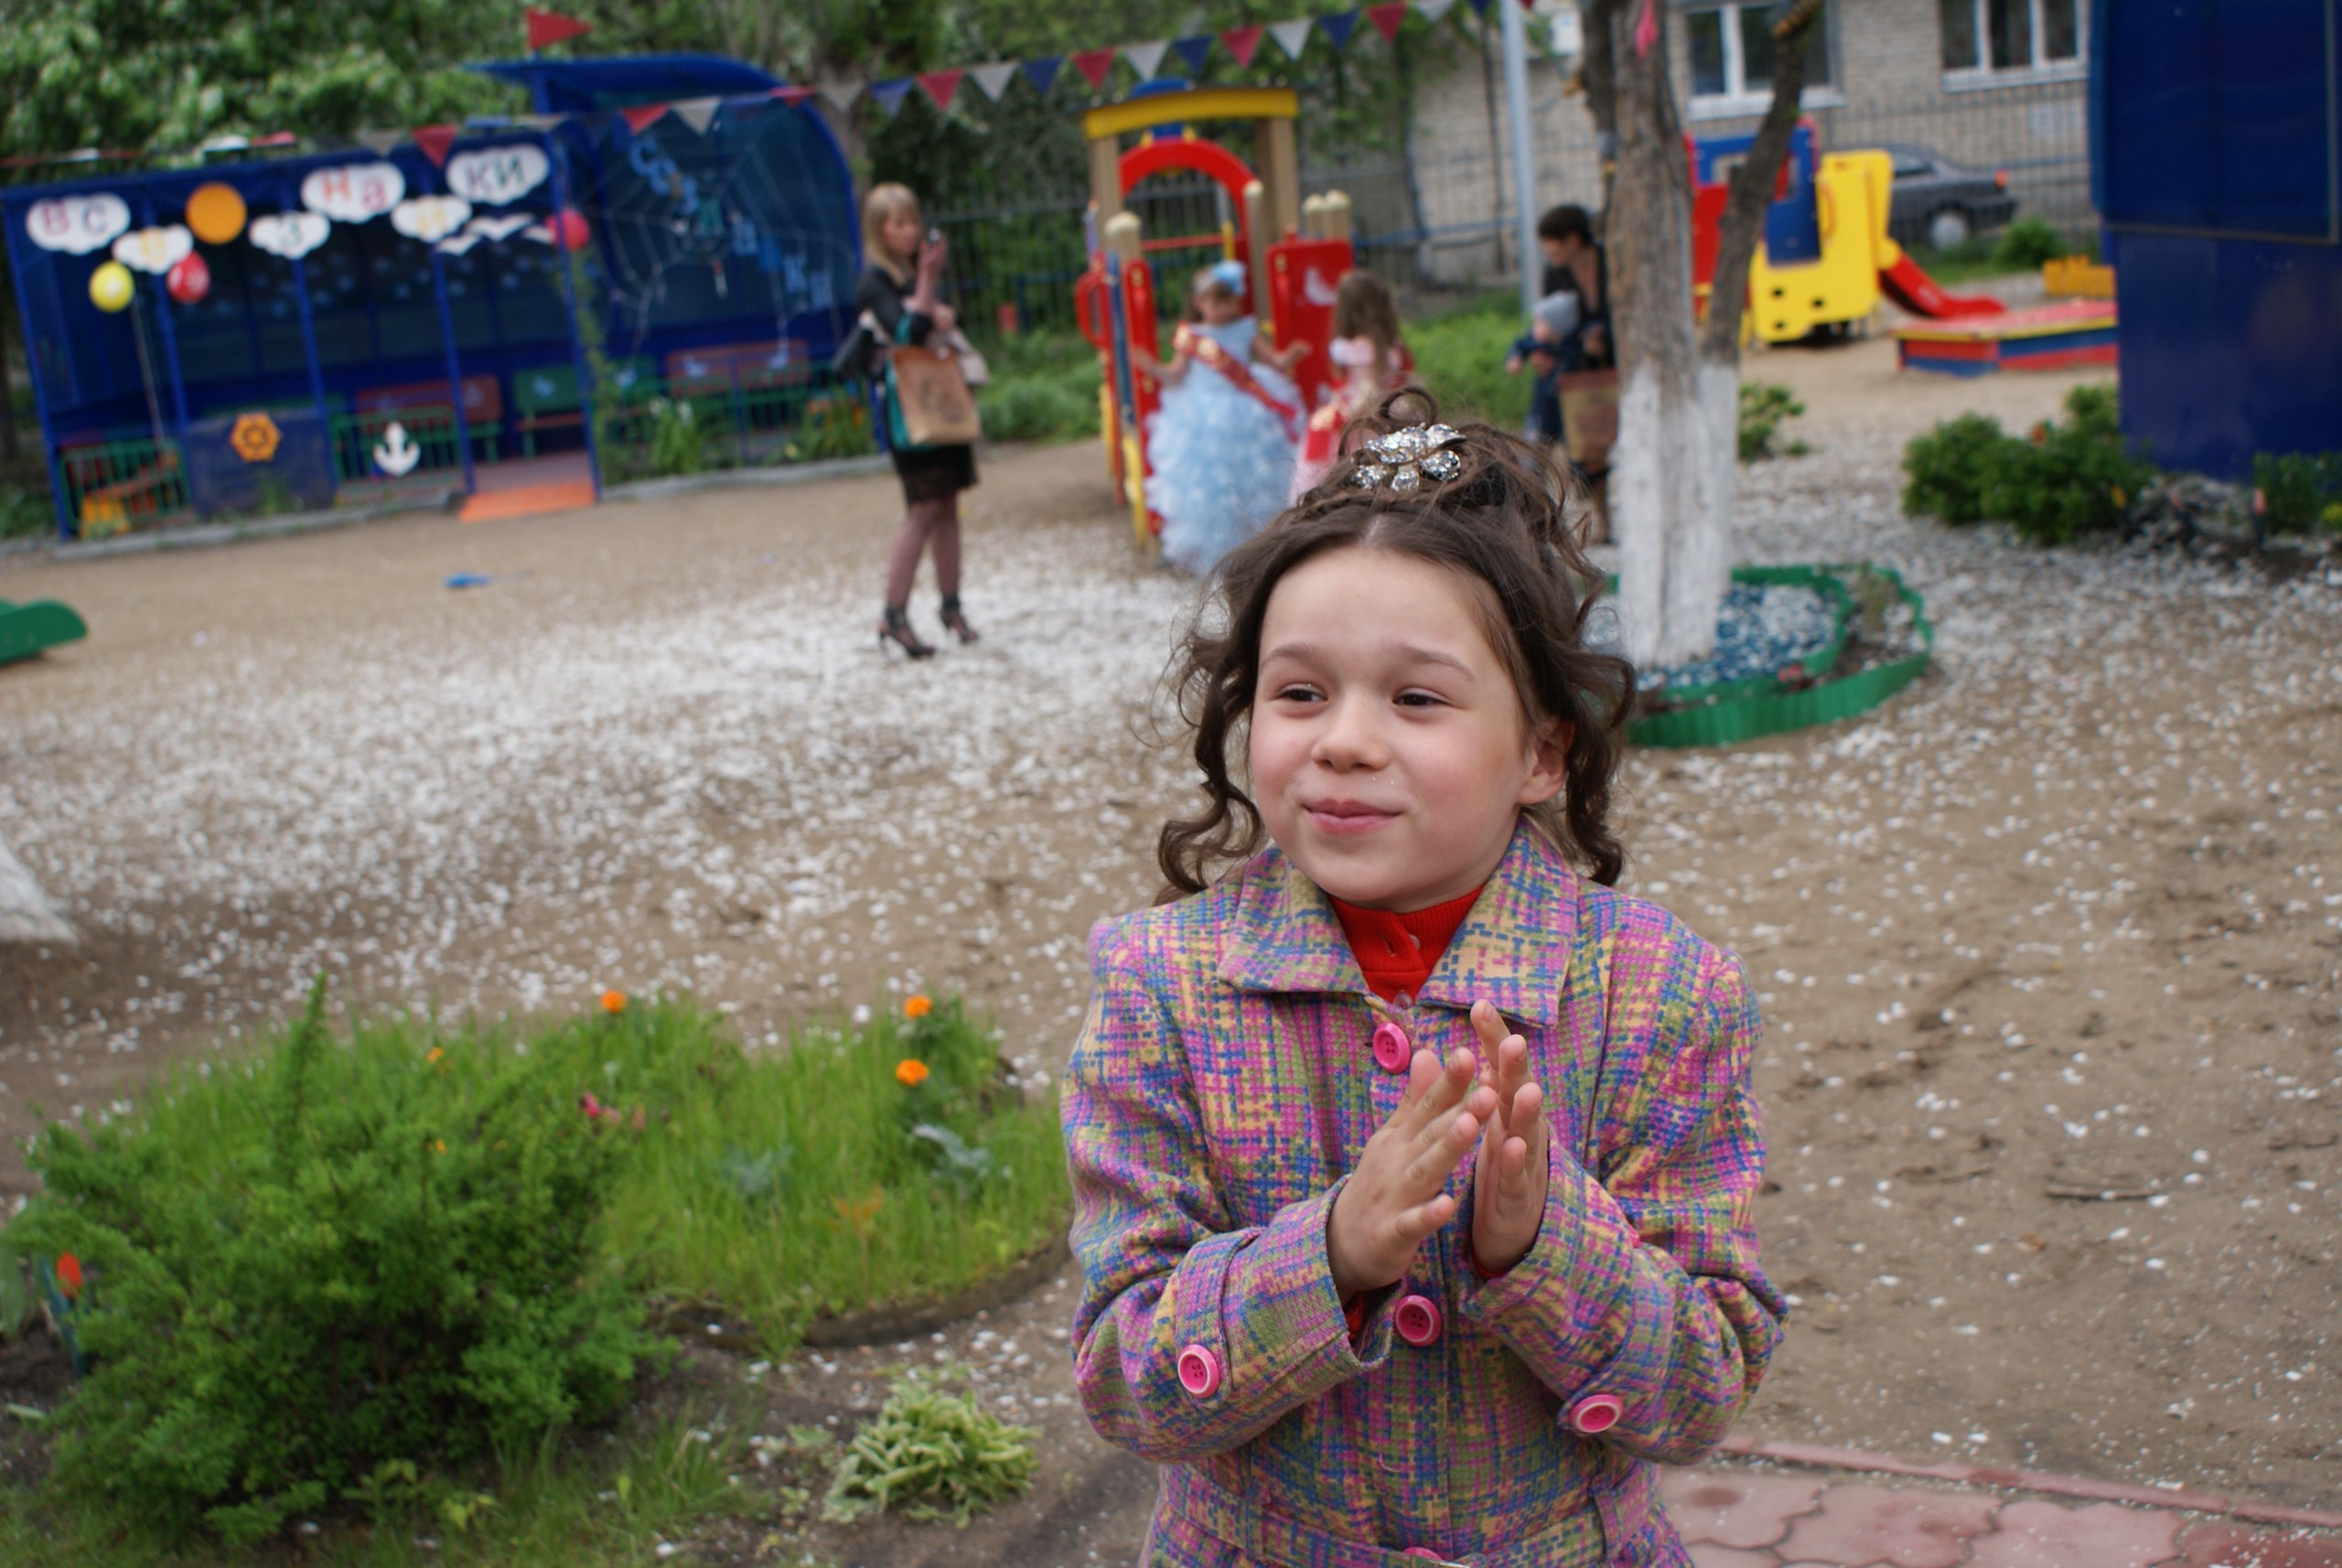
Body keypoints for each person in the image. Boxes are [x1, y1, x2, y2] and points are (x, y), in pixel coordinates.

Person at [1063, 397, 1783, 1567]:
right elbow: (1122, 1378)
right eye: (1299, 693)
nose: (1344, 739)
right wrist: (1332, 1253)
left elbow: (1698, 1392)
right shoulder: (1162, 990)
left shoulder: (1662, 994)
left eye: (1416, 697)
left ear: (1544, 750)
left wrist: (1547, 1243)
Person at [857, 183, 978, 659]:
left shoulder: (911, 274)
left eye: (912, 221)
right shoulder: (875, 281)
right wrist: (928, 283)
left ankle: (951, 605)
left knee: (948, 505)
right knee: (922, 509)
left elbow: (944, 320)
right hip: (908, 409)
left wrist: (930, 288)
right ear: (880, 230)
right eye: (899, 223)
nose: (909, 231)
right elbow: (909, 331)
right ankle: (894, 613)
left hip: (939, 399)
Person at [1140, 260, 1305, 576]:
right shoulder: (1190, 336)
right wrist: (1153, 369)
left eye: (1228, 300)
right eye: (1215, 302)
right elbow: (1175, 375)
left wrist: (1290, 357)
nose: (1223, 308)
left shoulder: (1246, 329)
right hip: (1203, 419)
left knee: (1255, 477)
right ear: (1198, 303)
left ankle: (1257, 542)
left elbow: (1274, 360)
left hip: (1246, 412)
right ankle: (1215, 547)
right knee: (1210, 485)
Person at [1291, 269, 1415, 499]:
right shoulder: (1389, 343)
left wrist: (1346, 414)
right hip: (1391, 409)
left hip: (1364, 414)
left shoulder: (1357, 347)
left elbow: (1368, 388)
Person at [1504, 290, 1584, 446]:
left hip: (1570, 401)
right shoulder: (1536, 342)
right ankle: (1531, 465)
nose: (1534, 328)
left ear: (1558, 327)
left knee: (1572, 440)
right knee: (1536, 436)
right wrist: (1515, 359)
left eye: (1540, 323)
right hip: (1544, 399)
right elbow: (1520, 346)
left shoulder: (1571, 345)